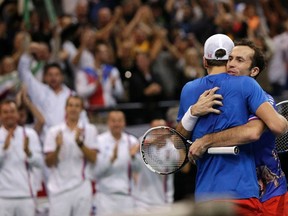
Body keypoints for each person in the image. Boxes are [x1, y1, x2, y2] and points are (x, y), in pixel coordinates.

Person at [176, 34, 288, 215]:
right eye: (231, 58)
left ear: (254, 71)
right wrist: (192, 112)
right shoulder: (243, 88)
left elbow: (261, 130)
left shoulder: (260, 95)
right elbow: (177, 140)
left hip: (269, 192)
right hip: (240, 190)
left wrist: (205, 141)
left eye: (239, 60)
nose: (233, 63)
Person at [17, 48, 88, 142]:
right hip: (44, 140)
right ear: (45, 77)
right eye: (50, 75)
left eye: (57, 75)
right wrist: (28, 53)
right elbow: (23, 72)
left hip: (67, 140)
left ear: (62, 77)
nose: (53, 78)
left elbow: (83, 117)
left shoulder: (71, 95)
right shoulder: (38, 91)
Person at [43, 95, 98, 216]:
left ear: (81, 109)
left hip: (81, 187)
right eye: (70, 105)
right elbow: (48, 163)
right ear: (65, 108)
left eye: (77, 106)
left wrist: (80, 143)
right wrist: (57, 148)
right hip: (59, 189)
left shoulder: (90, 130)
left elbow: (94, 159)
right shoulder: (53, 131)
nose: (73, 109)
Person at [89, 110, 139, 215]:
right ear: (108, 122)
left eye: (119, 121)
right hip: (104, 198)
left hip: (127, 198)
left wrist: (133, 157)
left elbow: (138, 171)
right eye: (113, 121)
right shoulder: (99, 141)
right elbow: (95, 173)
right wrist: (111, 159)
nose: (116, 124)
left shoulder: (132, 141)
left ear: (124, 123)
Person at [0, 99, 43, 216]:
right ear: (0, 115)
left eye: (12, 111)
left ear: (18, 114)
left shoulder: (30, 134)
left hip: (26, 195)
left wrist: (28, 153)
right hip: (3, 197)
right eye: (5, 112)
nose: (9, 115)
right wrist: (4, 149)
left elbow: (40, 164)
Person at [132, 118, 175, 211]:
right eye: (154, 129)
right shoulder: (142, 141)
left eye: (160, 129)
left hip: (164, 201)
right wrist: (146, 144)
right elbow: (131, 154)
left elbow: (185, 169)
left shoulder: (172, 148)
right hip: (141, 202)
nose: (157, 132)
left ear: (166, 131)